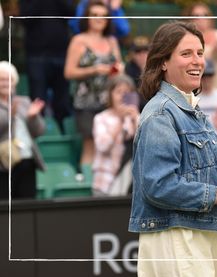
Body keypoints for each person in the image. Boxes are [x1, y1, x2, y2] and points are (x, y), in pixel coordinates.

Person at [128, 21, 217, 277]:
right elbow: (158, 185)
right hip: (178, 239)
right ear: (163, 61)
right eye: (186, 54)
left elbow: (207, 176)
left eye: (200, 53)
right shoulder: (161, 113)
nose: (197, 61)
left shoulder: (192, 110)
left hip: (203, 233)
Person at [64, 0, 124, 165]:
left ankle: (110, 187)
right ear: (87, 18)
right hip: (86, 102)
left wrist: (117, 70)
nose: (99, 19)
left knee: (111, 143)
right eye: (95, 15)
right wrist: (94, 70)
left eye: (104, 16)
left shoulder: (112, 41)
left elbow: (119, 68)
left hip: (110, 102)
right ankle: (89, 186)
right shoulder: (79, 40)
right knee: (90, 143)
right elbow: (68, 72)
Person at [19, 0, 75, 132]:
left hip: (61, 53)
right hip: (36, 55)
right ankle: (40, 134)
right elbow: (25, 18)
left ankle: (62, 134)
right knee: (38, 99)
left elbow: (71, 13)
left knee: (62, 100)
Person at [0, 61, 46, 199]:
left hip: (26, 159)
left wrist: (33, 117)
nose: (5, 83)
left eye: (9, 79)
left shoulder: (24, 101)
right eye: (1, 80)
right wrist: (10, 116)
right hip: (4, 163)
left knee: (27, 203)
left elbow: (39, 131)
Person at [92, 74, 139, 196]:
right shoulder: (101, 118)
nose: (122, 96)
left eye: (127, 93)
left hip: (128, 183)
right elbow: (102, 146)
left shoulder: (134, 118)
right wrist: (120, 121)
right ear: (110, 95)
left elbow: (146, 146)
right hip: (104, 184)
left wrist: (136, 120)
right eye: (118, 92)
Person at [124, 36, 150, 112]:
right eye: (138, 51)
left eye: (145, 50)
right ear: (132, 54)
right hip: (135, 108)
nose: (142, 54)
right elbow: (128, 95)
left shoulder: (157, 67)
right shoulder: (128, 69)